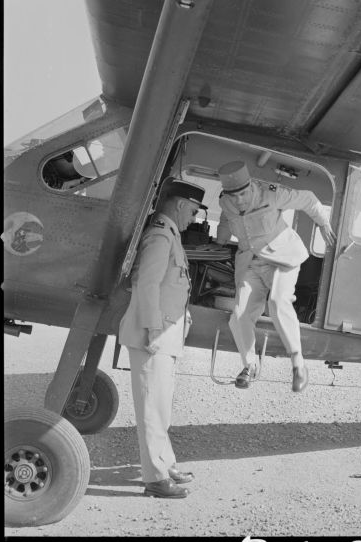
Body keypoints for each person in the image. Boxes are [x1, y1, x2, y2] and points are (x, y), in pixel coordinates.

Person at [118, 177, 207, 498]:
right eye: (193, 211)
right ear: (181, 205)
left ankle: (165, 464)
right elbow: (147, 284)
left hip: (165, 335)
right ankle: (155, 478)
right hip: (152, 334)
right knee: (152, 410)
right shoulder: (159, 235)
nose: (194, 219)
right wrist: (153, 328)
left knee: (161, 407)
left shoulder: (170, 235)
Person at [215, 161, 336, 392]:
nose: (238, 200)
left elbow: (308, 198)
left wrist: (322, 222)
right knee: (239, 314)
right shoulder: (225, 201)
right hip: (251, 262)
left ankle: (298, 364)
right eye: (233, 196)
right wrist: (220, 241)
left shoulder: (271, 195)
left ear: (250, 185)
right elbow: (226, 218)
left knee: (278, 302)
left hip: (282, 258)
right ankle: (250, 366)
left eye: (242, 194)